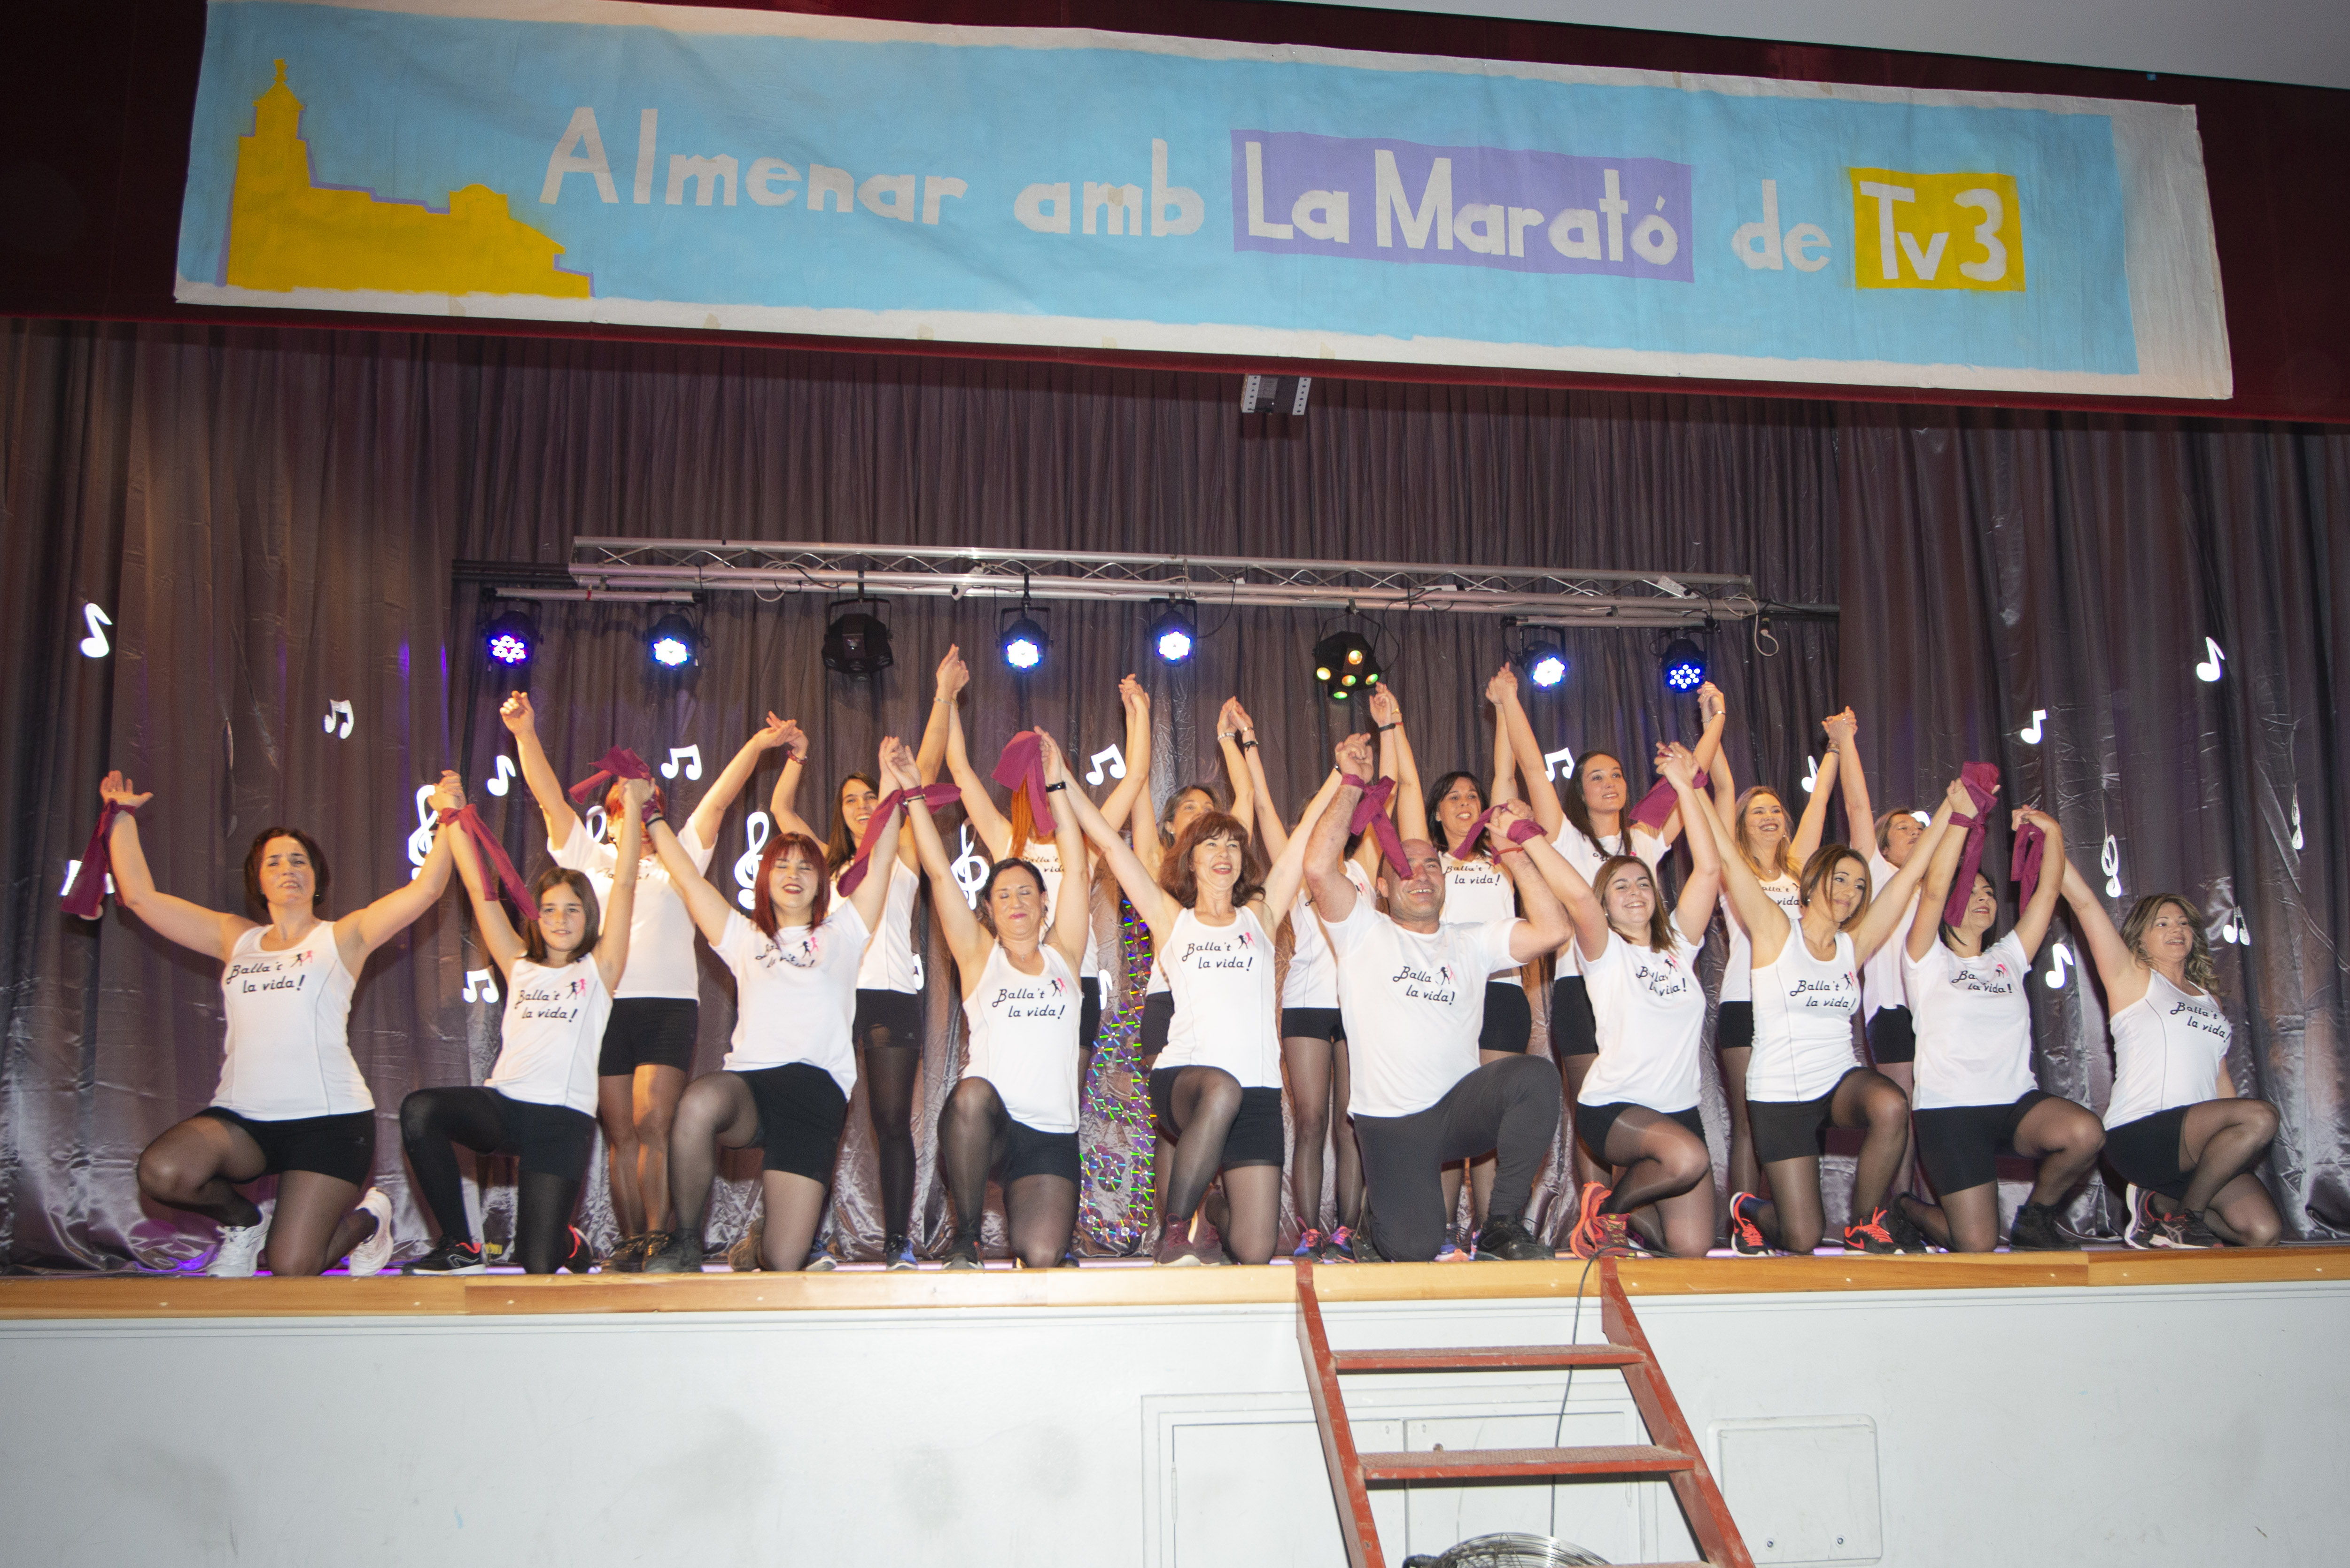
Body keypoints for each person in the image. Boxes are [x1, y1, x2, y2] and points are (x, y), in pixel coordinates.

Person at [110, 768, 463, 1277]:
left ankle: (370, 1219)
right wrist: (121, 816)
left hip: (330, 1124)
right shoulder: (235, 937)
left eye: (299, 860)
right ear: (258, 880)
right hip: (244, 1121)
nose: (287, 869)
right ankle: (243, 1222)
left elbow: (427, 890)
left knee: (292, 1266)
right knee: (163, 1172)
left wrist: (448, 815)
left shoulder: (344, 936)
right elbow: (141, 898)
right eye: (273, 862)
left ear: (317, 877)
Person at [498, 694, 790, 1270]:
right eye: (624, 805)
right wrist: (525, 734)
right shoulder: (588, 860)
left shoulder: (680, 858)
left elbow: (719, 799)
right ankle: (631, 1243)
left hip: (667, 1007)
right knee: (620, 1132)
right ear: (609, 818)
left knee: (654, 1120)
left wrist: (759, 745)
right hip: (601, 1007)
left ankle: (660, 1238)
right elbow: (550, 801)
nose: (636, 813)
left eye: (647, 803)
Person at [1061, 718, 1338, 1266]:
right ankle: (1173, 1233)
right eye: (1211, 843)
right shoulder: (1172, 919)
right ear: (1191, 859)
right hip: (1185, 1080)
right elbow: (1110, 847)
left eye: (1232, 843)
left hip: (1257, 1092)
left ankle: (1214, 1210)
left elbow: (1304, 834)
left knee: (1255, 1250)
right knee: (1220, 1089)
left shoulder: (1261, 916)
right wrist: (1061, 780)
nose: (1224, 852)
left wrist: (1339, 776)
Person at [640, 740, 914, 1274]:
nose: (793, 873)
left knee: (783, 1260)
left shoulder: (844, 931)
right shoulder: (742, 936)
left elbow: (882, 857)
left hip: (815, 1097)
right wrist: (650, 816)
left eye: (805, 867)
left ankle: (761, 1244)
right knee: (697, 1103)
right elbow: (689, 878)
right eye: (781, 864)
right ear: (764, 877)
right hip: (751, 1087)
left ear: (822, 882)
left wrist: (892, 785)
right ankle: (686, 1241)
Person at [1303, 734, 1574, 1263]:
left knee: (1535, 1078)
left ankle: (1500, 1225)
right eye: (1404, 866)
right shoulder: (1362, 930)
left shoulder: (1471, 940)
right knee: (1414, 1248)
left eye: (1431, 865)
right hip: (1391, 1123)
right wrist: (1351, 783)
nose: (1420, 874)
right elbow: (1317, 867)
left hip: (1455, 1113)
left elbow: (1554, 930)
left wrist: (1516, 856)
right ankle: (1375, 1225)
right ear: (1381, 887)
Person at [1692, 777, 1962, 1256]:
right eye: (1840, 879)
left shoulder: (1851, 944)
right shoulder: (1775, 932)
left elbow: (1908, 878)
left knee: (1891, 1103)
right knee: (1801, 1237)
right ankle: (1748, 1208)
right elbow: (1729, 860)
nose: (1850, 891)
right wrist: (1690, 786)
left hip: (1836, 1079)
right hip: (1779, 1093)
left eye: (1859, 885)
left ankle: (1864, 1223)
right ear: (1813, 881)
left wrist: (1949, 809)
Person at [401, 780, 649, 1274]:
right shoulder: (519, 962)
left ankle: (567, 1243)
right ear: (535, 916)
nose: (560, 920)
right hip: (507, 1106)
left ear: (589, 917)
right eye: (549, 909)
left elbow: (623, 886)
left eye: (572, 909)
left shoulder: (599, 969)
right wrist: (452, 816)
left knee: (537, 1264)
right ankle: (459, 1244)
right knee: (422, 1109)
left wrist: (636, 807)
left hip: (561, 1122)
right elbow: (481, 893)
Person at [1497, 675, 1724, 1191]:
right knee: (1596, 1112)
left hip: (1644, 990)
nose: (1609, 783)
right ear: (1579, 791)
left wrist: (1715, 720)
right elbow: (1532, 768)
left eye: (1617, 775)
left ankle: (1634, 1207)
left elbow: (1689, 778)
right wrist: (1510, 701)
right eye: (1595, 777)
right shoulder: (1564, 836)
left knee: (1649, 1111)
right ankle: (1597, 1214)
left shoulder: (1643, 837)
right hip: (1582, 985)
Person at [768, 651, 955, 1270]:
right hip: (830, 999)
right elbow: (780, 810)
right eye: (850, 798)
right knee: (819, 1117)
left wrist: (941, 695)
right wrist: (795, 756)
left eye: (868, 796)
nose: (859, 804)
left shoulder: (899, 852)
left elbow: (925, 766)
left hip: (889, 995)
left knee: (891, 1122)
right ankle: (809, 1240)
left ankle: (898, 1242)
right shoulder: (824, 863)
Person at [901, 730, 1092, 1269]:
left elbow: (1078, 867)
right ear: (988, 908)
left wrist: (1056, 785)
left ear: (1044, 903)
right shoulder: (978, 956)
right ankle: (966, 1238)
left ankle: (1033, 1230)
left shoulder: (1065, 954)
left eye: (1025, 892)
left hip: (1050, 1137)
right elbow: (939, 874)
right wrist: (913, 795)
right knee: (970, 1095)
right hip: (989, 1128)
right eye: (1003, 895)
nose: (1015, 902)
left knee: (1042, 1254)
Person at [1538, 745, 1723, 1259]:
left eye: (1643, 882)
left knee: (1691, 1247)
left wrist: (1684, 785)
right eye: (1619, 886)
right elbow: (1577, 897)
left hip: (1677, 1111)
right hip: (1614, 1110)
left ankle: (1626, 1211)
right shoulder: (1603, 953)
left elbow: (1708, 870)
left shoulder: (1679, 946)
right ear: (1604, 904)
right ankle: (1606, 1217)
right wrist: (1527, 838)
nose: (1635, 891)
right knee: (1687, 1158)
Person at [1892, 805, 2103, 1252]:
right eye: (1970, 891)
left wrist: (2051, 832)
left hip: (2013, 1105)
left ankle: (2035, 1218)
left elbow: (2048, 891)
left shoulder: (2007, 957)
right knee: (1976, 1243)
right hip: (1951, 1113)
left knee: (2084, 1132)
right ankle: (1906, 1207)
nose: (1983, 898)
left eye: (1988, 892)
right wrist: (1960, 820)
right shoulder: (1926, 959)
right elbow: (1932, 890)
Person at [944, 664, 1151, 1083]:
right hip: (1013, 979)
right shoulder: (1006, 840)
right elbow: (960, 771)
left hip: (1076, 977)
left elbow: (1135, 778)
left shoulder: (1085, 842)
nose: (1043, 788)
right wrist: (946, 698)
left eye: (1052, 776)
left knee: (1064, 1093)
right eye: (1035, 778)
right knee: (1009, 1088)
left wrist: (1138, 715)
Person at [2058, 863, 2282, 1248]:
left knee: (2262, 1232)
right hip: (2141, 1133)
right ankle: (2184, 1217)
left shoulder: (2208, 1000)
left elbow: (2219, 1078)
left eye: (2182, 923)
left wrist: (2235, 1148)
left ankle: (2157, 1206)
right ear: (2139, 938)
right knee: (2261, 1115)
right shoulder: (2131, 978)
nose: (2176, 929)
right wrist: (2050, 843)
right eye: (2161, 923)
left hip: (2196, 1146)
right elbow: (2084, 904)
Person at [1257, 688, 1398, 1262]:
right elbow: (1267, 814)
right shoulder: (1297, 871)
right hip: (1305, 1005)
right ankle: (1308, 1231)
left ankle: (1347, 1229)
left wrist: (1379, 745)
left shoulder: (1362, 868)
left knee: (1351, 1122)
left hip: (1358, 1006)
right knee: (1312, 1120)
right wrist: (1249, 748)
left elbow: (1391, 795)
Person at [1387, 673, 1527, 1253]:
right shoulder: (1431, 864)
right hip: (1444, 993)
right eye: (1454, 798)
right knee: (1446, 1110)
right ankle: (1439, 1228)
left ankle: (1492, 1229)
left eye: (1473, 797)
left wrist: (1504, 708)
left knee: (1492, 1115)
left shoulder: (1503, 857)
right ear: (1437, 814)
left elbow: (1506, 779)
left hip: (1501, 992)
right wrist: (1392, 725)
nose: (1467, 804)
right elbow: (1406, 785)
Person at [1705, 700, 1840, 1204]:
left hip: (1797, 1008)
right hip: (1745, 1003)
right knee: (1748, 1121)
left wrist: (1836, 747)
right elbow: (1718, 789)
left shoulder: (1800, 869)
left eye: (1775, 810)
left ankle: (1792, 1216)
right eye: (1756, 811)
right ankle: (1743, 1225)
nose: (1768, 816)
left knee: (1798, 1117)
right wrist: (1713, 722)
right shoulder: (1731, 871)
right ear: (1741, 823)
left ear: (1785, 823)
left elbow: (1820, 801)